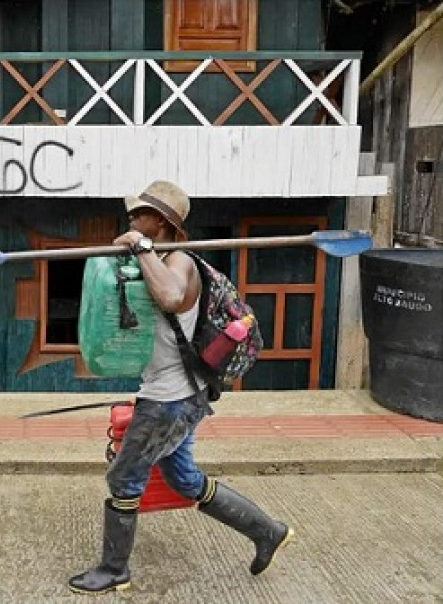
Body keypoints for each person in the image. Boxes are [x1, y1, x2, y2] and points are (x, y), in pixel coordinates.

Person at [68, 180, 295, 595]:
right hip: (181, 395)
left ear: (159, 220)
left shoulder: (180, 262)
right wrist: (139, 252)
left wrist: (140, 246)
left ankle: (114, 569)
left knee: (123, 478)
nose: (132, 219)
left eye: (139, 214)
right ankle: (268, 531)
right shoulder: (160, 259)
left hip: (169, 400)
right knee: (185, 480)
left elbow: (172, 297)